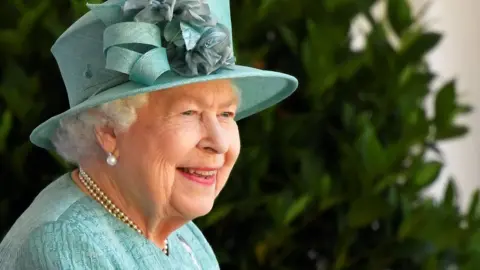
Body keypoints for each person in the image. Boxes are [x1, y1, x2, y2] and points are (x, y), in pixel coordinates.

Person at [0, 0, 298, 269]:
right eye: (189, 113)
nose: (219, 142)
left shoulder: (179, 234)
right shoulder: (64, 243)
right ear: (109, 132)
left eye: (226, 114)